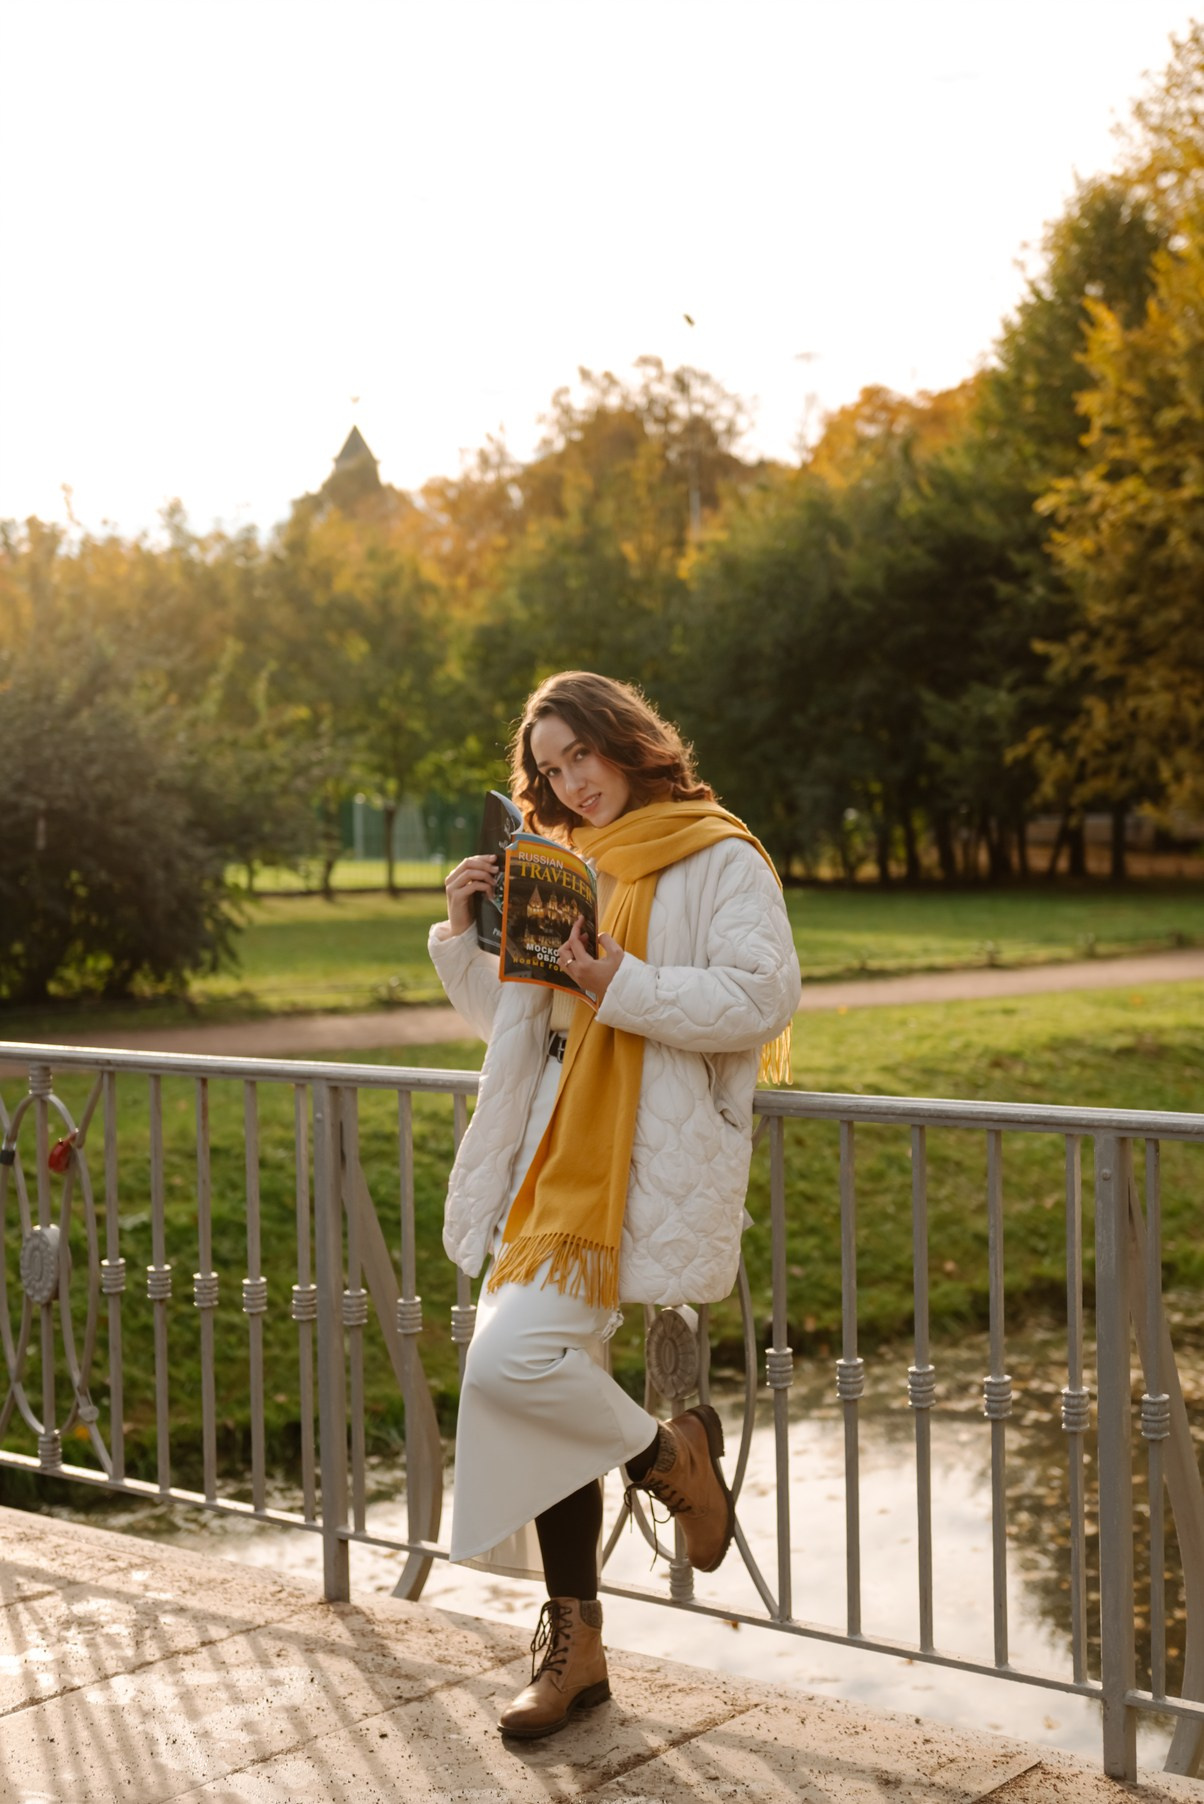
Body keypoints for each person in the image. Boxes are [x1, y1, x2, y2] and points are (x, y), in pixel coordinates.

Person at [429, 671, 801, 1740]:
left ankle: (665, 1471)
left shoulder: (718, 853)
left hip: (645, 1157)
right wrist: (464, 934)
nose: (569, 782)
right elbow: (520, 1023)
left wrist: (619, 980)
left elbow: (757, 998)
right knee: (517, 1381)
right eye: (548, 770)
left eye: (578, 755)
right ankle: (588, 1622)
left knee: (511, 1371)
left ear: (624, 740)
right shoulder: (569, 866)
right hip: (554, 1163)